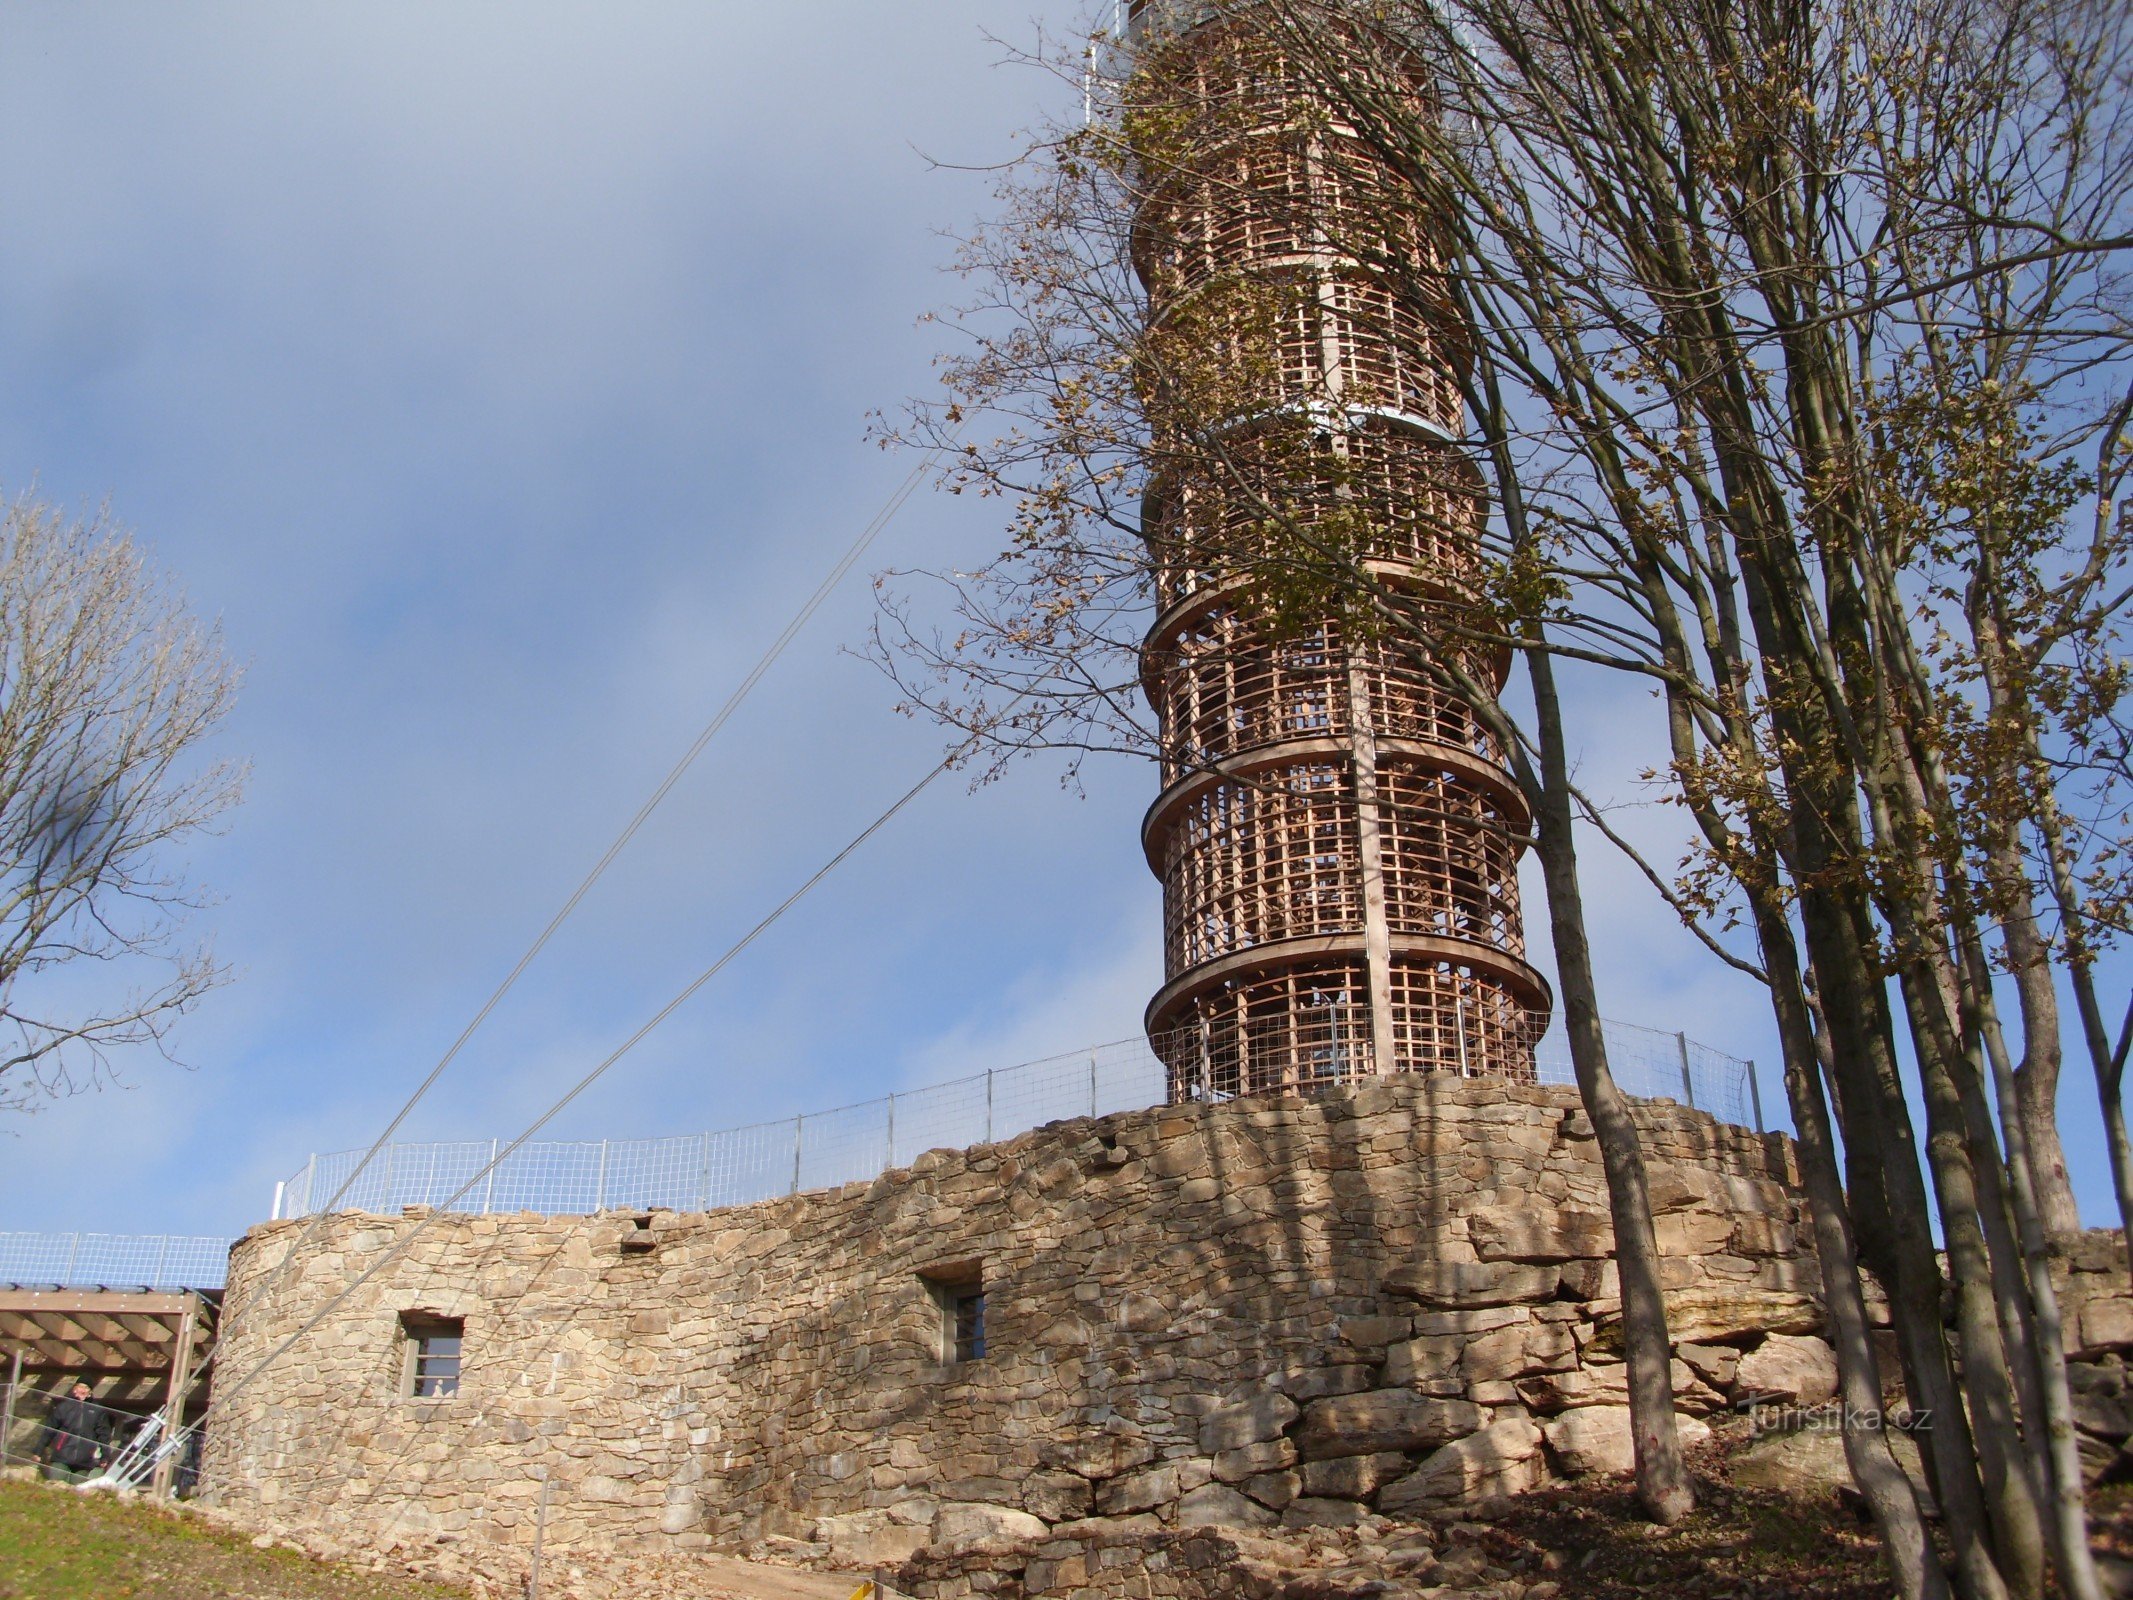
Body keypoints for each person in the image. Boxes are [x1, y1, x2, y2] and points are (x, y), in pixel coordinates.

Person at [40, 1378, 112, 1483]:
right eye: (80, 1386)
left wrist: (105, 1456)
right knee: (55, 1485)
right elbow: (49, 1430)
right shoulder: (64, 1407)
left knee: (77, 1488)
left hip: (84, 1462)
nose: (82, 1390)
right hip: (62, 1457)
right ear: (74, 1389)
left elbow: (104, 1435)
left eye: (86, 1388)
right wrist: (38, 1451)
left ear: (90, 1392)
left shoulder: (97, 1410)